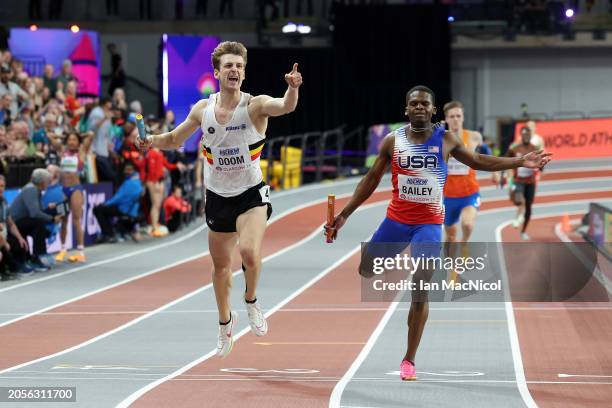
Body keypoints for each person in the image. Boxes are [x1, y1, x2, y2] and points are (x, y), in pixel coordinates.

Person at [326, 86, 551, 381]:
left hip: (430, 225)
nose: (419, 107)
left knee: (421, 286)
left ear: (433, 111)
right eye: (414, 103)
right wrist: (343, 215)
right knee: (366, 270)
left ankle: (409, 359)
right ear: (406, 109)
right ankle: (385, 254)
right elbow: (369, 182)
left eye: (424, 104)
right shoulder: (393, 142)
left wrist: (520, 162)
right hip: (395, 221)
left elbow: (479, 161)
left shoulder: (445, 140)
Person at [137, 41, 302, 358]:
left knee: (250, 253)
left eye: (239, 66)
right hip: (217, 197)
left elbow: (285, 106)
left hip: (251, 193)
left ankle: (251, 301)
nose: (234, 70)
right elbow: (174, 139)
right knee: (220, 267)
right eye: (228, 65)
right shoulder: (203, 109)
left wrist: (292, 89)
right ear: (217, 72)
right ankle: (225, 322)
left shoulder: (254, 106)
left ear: (243, 72)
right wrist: (151, 142)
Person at [442, 101, 498, 256]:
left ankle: (464, 243)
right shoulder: (441, 140)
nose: (455, 119)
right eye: (452, 116)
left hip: (470, 193)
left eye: (458, 116)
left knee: (467, 224)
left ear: (463, 117)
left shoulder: (473, 137)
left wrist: (494, 172)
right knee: (450, 235)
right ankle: (451, 252)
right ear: (446, 119)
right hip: (449, 196)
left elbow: (485, 149)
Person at [51, 130, 94, 263]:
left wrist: (80, 135)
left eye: (74, 140)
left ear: (78, 142)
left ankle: (80, 251)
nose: (71, 142)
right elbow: (50, 136)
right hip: (63, 190)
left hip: (75, 189)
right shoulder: (62, 151)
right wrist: (62, 136)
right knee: (63, 220)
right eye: (69, 140)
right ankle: (63, 249)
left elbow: (91, 134)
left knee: (76, 220)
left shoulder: (82, 152)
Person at [10, 169, 62, 271]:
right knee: (39, 224)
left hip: (22, 220)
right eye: (48, 182)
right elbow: (35, 213)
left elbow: (38, 211)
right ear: (42, 182)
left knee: (40, 225)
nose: (48, 184)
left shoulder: (34, 189)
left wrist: (49, 209)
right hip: (15, 223)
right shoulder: (31, 189)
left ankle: (35, 257)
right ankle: (37, 256)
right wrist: (52, 219)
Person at [502, 125, 539, 241]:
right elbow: (505, 160)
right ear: (521, 135)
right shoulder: (515, 148)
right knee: (519, 200)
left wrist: (539, 166)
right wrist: (504, 174)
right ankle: (519, 215)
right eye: (524, 134)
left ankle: (523, 231)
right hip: (518, 180)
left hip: (531, 182)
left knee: (529, 207)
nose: (526, 136)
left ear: (530, 135)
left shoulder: (535, 148)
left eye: (528, 134)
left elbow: (540, 165)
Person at [93, 161, 143, 243]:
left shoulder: (130, 183)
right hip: (129, 210)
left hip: (124, 209)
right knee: (104, 210)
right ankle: (115, 232)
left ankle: (109, 235)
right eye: (126, 169)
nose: (127, 172)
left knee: (97, 210)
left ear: (133, 171)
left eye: (129, 170)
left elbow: (118, 198)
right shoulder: (137, 181)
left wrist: (105, 204)